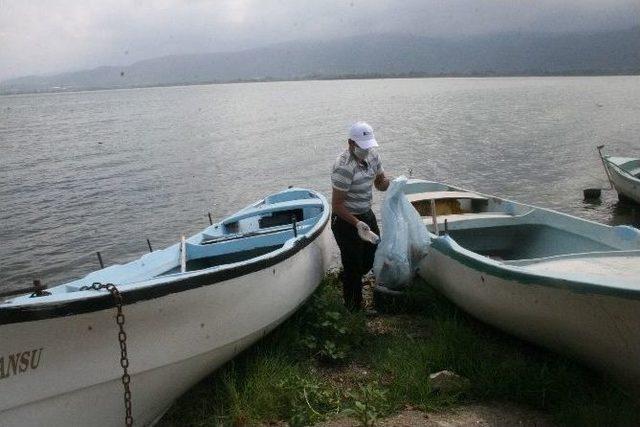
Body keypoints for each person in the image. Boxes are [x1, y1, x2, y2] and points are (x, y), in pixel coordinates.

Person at [331, 121, 390, 310]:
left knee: (372, 254)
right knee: (354, 266)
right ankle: (354, 308)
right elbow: (337, 205)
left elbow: (380, 183)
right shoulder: (344, 167)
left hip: (366, 214)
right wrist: (357, 224)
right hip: (346, 221)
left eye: (369, 145)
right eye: (362, 146)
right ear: (351, 143)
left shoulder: (372, 154)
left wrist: (389, 183)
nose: (367, 150)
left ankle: (347, 274)